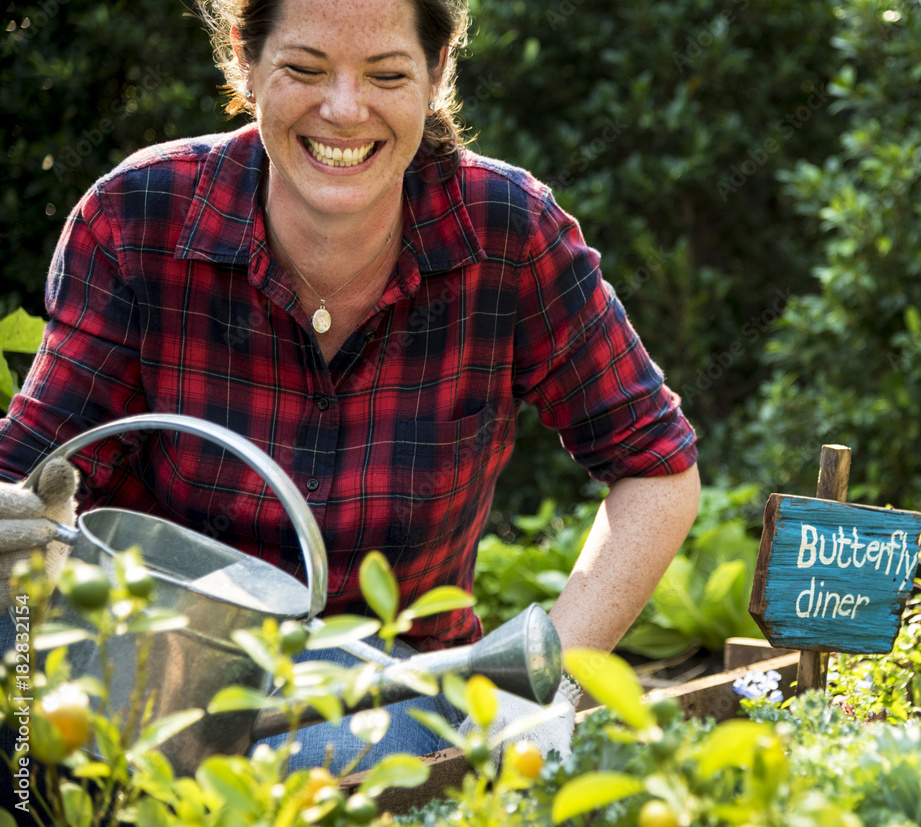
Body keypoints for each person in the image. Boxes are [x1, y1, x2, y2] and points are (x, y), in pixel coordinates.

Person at [0, 0, 700, 777]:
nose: (343, 109)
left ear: (437, 74)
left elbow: (656, 467)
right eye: (303, 68)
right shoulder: (140, 216)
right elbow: (32, 483)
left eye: (387, 75)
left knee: (308, 760)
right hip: (155, 648)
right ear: (246, 58)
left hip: (390, 680)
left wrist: (546, 679)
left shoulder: (506, 235)